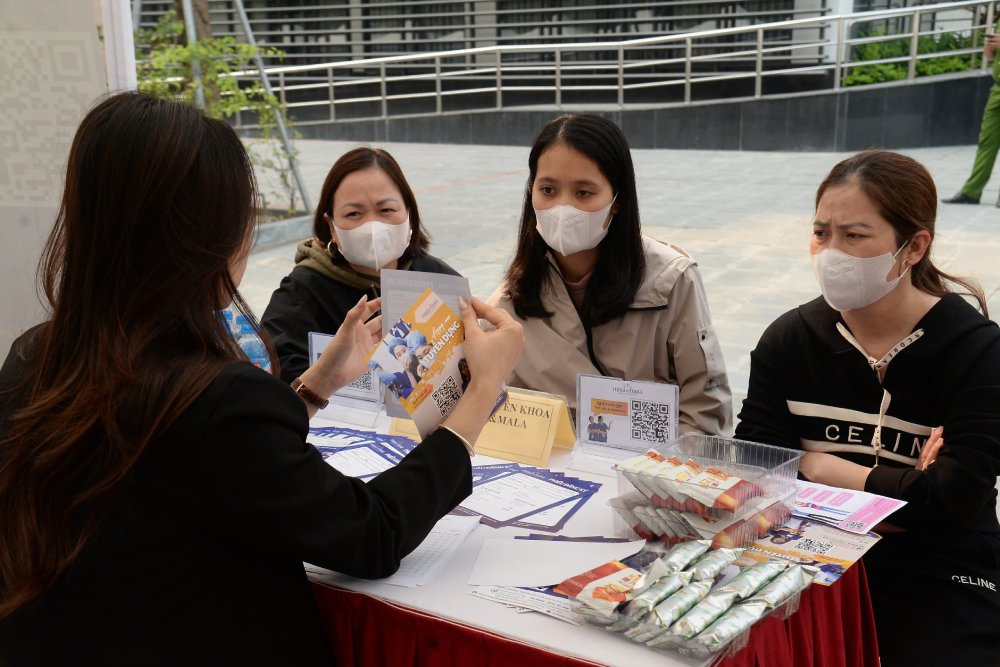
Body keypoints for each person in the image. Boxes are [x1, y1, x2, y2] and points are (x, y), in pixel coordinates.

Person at [0, 92, 524, 666]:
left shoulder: (34, 358)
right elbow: (370, 534)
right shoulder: (217, 395)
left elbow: (205, 464)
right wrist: (479, 396)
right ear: (210, 237)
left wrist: (317, 385)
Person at [735, 150, 1000, 665]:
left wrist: (820, 466)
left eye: (854, 236)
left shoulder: (976, 351)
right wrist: (903, 490)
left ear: (913, 246)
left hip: (938, 566)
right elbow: (757, 466)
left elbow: (952, 504)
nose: (831, 252)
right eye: (821, 232)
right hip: (806, 551)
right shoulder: (789, 340)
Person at [488, 114, 731, 435]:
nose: (563, 208)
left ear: (617, 200)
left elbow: (705, 409)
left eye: (584, 193)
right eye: (548, 190)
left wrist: (667, 475)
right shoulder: (510, 299)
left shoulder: (672, 280)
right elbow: (495, 407)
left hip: (652, 473)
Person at [262, 147, 460, 382]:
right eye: (354, 214)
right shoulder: (300, 294)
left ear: (408, 213)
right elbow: (275, 377)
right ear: (331, 226)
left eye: (386, 210)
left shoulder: (439, 278)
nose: (372, 226)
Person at [943, 31, 1000, 207]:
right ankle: (971, 192)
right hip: (997, 90)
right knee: (986, 141)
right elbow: (990, 57)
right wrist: (989, 47)